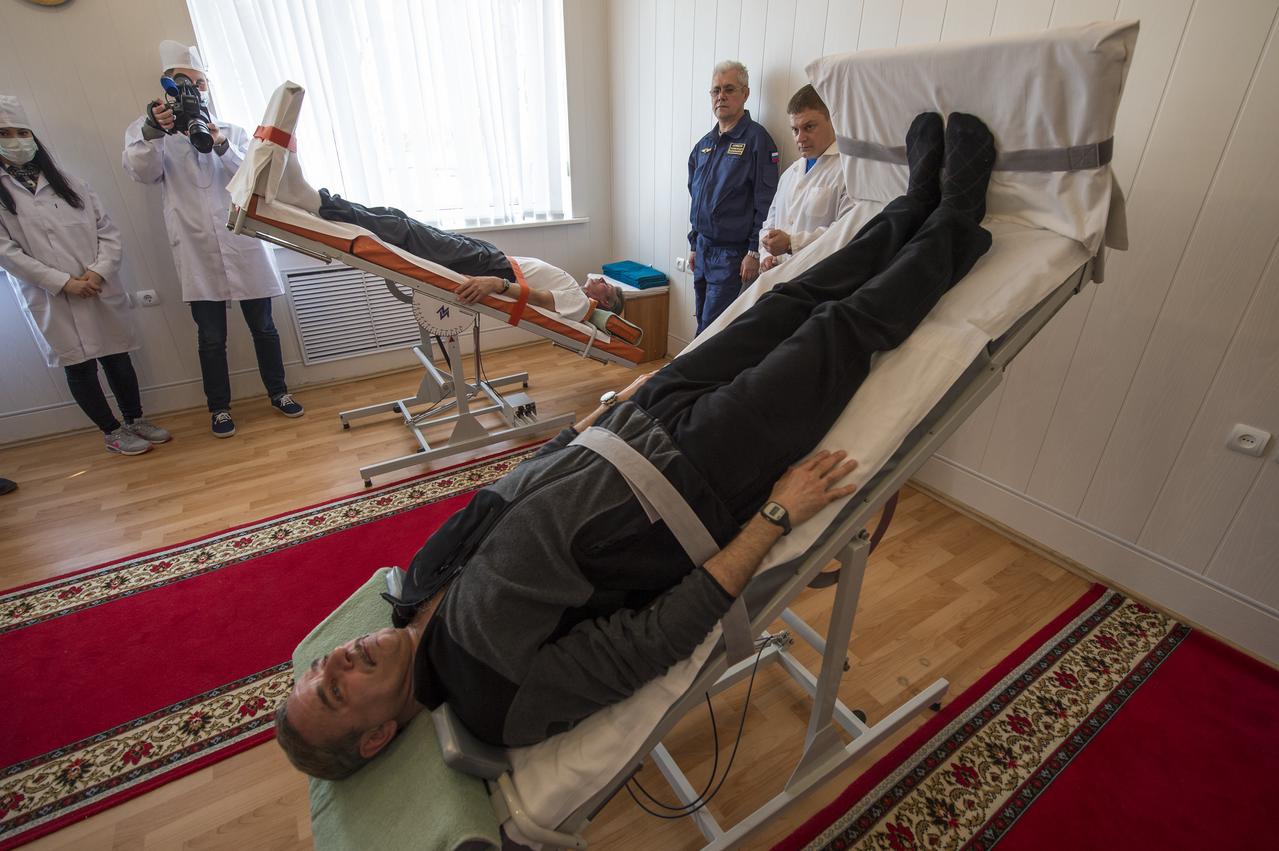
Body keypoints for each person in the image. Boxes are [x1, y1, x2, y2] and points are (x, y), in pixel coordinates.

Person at [276, 112, 996, 780]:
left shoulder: (413, 587)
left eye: (321, 670)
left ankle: (910, 209)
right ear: (375, 737)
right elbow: (655, 638)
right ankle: (956, 218)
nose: (341, 659)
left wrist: (591, 422)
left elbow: (514, 490)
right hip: (697, 477)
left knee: (787, 301)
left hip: (634, 420)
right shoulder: (492, 698)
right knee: (837, 332)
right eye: (338, 692)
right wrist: (775, 515)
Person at [123, 41, 303, 439]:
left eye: (198, 82)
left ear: (207, 87)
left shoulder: (235, 130)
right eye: (182, 81)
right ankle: (219, 408)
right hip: (196, 250)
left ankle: (279, 392)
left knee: (264, 328)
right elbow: (142, 172)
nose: (192, 89)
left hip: (241, 243)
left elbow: (252, 180)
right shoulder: (149, 133)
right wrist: (154, 131)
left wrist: (221, 143)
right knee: (210, 338)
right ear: (168, 86)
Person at [0, 95, 170, 456]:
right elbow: (7, 253)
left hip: (97, 285)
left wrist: (97, 272)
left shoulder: (71, 183)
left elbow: (107, 231)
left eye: (21, 131)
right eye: (5, 133)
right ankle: (111, 431)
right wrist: (64, 283)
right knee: (79, 367)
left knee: (117, 356)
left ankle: (134, 419)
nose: (15, 140)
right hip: (52, 295)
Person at [317, 190, 626, 321]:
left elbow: (542, 300)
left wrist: (496, 284)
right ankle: (332, 206)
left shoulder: (582, 302)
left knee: (407, 232)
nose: (600, 278)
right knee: (403, 221)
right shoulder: (576, 290)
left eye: (606, 286)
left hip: (491, 268)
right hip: (490, 258)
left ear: (606, 302)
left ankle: (324, 205)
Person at [687, 60, 779, 334]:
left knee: (713, 328)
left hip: (731, 254)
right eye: (715, 91)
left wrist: (753, 251)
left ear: (745, 93)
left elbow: (767, 202)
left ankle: (695, 375)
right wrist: (694, 244)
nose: (721, 97)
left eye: (729, 89)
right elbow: (696, 199)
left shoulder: (757, 141)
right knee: (701, 320)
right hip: (703, 249)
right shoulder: (703, 146)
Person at [759, 85, 851, 273]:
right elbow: (769, 224)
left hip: (817, 281)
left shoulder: (848, 171)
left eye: (809, 127)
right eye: (795, 130)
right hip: (778, 276)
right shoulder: (789, 174)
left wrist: (791, 244)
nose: (800, 138)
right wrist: (767, 255)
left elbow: (845, 234)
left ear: (832, 120)